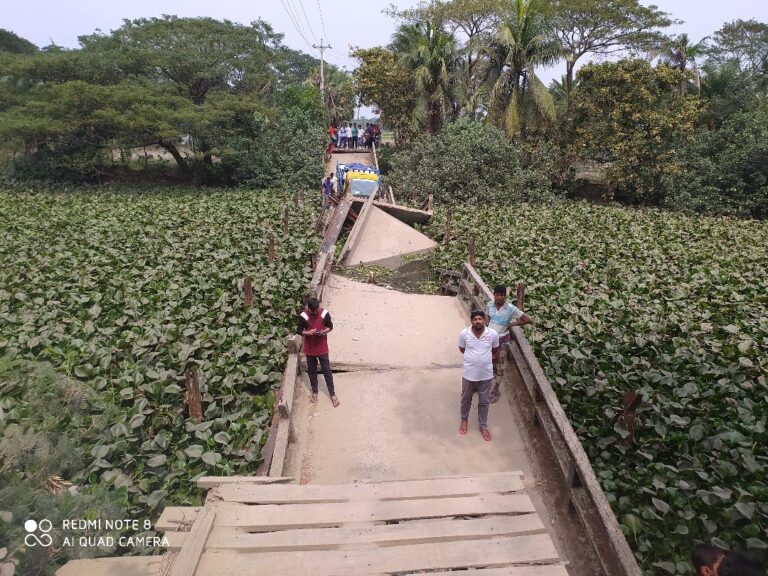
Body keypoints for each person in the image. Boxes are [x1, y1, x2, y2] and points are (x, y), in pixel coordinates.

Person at [458, 310, 499, 441]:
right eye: (475, 319)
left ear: (485, 320)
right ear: (471, 321)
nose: (478, 321)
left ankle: (483, 426)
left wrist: (484, 362)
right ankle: (464, 420)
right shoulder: (464, 334)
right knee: (466, 399)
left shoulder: (492, 334)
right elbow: (462, 349)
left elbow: (495, 351)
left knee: (484, 401)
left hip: (486, 374)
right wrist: (474, 360)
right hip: (468, 373)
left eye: (480, 319)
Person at [486, 285, 532, 403]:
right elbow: (487, 319)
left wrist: (512, 325)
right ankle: (482, 384)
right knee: (487, 363)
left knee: (501, 365)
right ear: (494, 294)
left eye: (502, 295)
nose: (499, 297)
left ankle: (495, 390)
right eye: (497, 295)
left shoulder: (511, 308)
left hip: (502, 341)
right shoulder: (489, 305)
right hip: (490, 341)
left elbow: (527, 319)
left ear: (505, 296)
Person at [297, 298, 339, 407]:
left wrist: (323, 332)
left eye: (316, 310)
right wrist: (308, 332)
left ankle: (332, 394)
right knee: (312, 370)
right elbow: (299, 331)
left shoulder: (324, 313)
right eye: (313, 311)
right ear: (308, 309)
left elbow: (330, 326)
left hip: (322, 347)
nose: (315, 312)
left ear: (318, 307)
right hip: (310, 348)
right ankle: (315, 391)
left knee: (327, 370)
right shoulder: (303, 316)